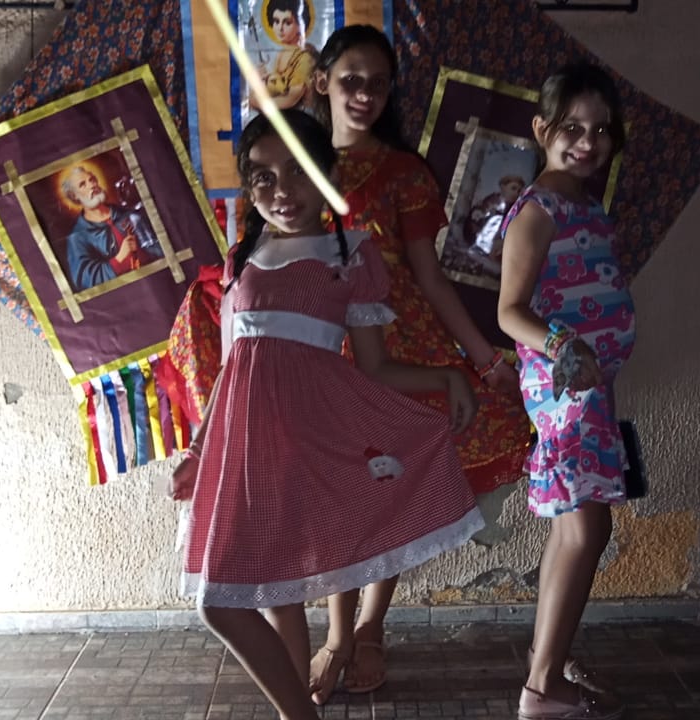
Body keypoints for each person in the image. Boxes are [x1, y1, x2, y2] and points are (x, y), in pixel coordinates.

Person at [168, 110, 485, 720]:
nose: (282, 190)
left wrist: (448, 377)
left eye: (298, 172)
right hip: (249, 454)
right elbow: (232, 369)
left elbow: (374, 367)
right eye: (263, 177)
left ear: (329, 175)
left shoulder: (352, 255)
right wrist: (200, 450)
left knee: (222, 601)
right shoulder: (241, 259)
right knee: (265, 597)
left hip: (315, 442)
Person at [306, 24, 534, 703]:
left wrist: (484, 360)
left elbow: (429, 276)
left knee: (389, 491)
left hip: (400, 347)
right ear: (321, 82)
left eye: (377, 83)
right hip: (319, 346)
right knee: (339, 497)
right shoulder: (296, 163)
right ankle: (336, 634)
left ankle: (371, 626)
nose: (364, 94)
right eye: (351, 79)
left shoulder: (404, 173)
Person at [496, 62, 633, 720]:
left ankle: (544, 663)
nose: (587, 142)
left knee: (574, 530)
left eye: (601, 130)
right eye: (572, 128)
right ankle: (542, 688)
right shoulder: (538, 210)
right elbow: (510, 311)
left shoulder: (586, 206)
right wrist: (564, 348)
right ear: (541, 129)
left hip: (590, 389)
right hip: (564, 390)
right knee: (587, 528)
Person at [60, 165, 164, 291]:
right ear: (74, 195)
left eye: (92, 179)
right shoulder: (77, 237)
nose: (92, 185)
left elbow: (161, 247)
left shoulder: (129, 214)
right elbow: (86, 281)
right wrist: (119, 258)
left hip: (158, 280)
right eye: (83, 184)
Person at [252, 0, 319, 112]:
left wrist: (258, 102)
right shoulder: (282, 53)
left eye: (287, 23)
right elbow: (277, 89)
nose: (280, 28)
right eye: (276, 21)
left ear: (300, 25)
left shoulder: (305, 58)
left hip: (300, 118)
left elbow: (291, 98)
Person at [467, 174, 526, 261]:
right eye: (513, 188)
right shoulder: (493, 200)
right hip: (483, 230)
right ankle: (480, 247)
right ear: (503, 187)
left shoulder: (513, 208)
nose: (515, 193)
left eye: (518, 191)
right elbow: (481, 211)